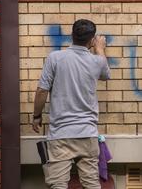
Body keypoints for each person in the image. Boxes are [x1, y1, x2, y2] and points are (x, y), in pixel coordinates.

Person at [32, 19, 110, 189]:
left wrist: (37, 116)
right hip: (87, 133)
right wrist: (100, 48)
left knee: (57, 184)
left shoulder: (55, 58)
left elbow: (42, 91)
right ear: (91, 40)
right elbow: (105, 74)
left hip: (61, 134)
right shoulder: (97, 61)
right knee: (91, 184)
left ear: (71, 35)